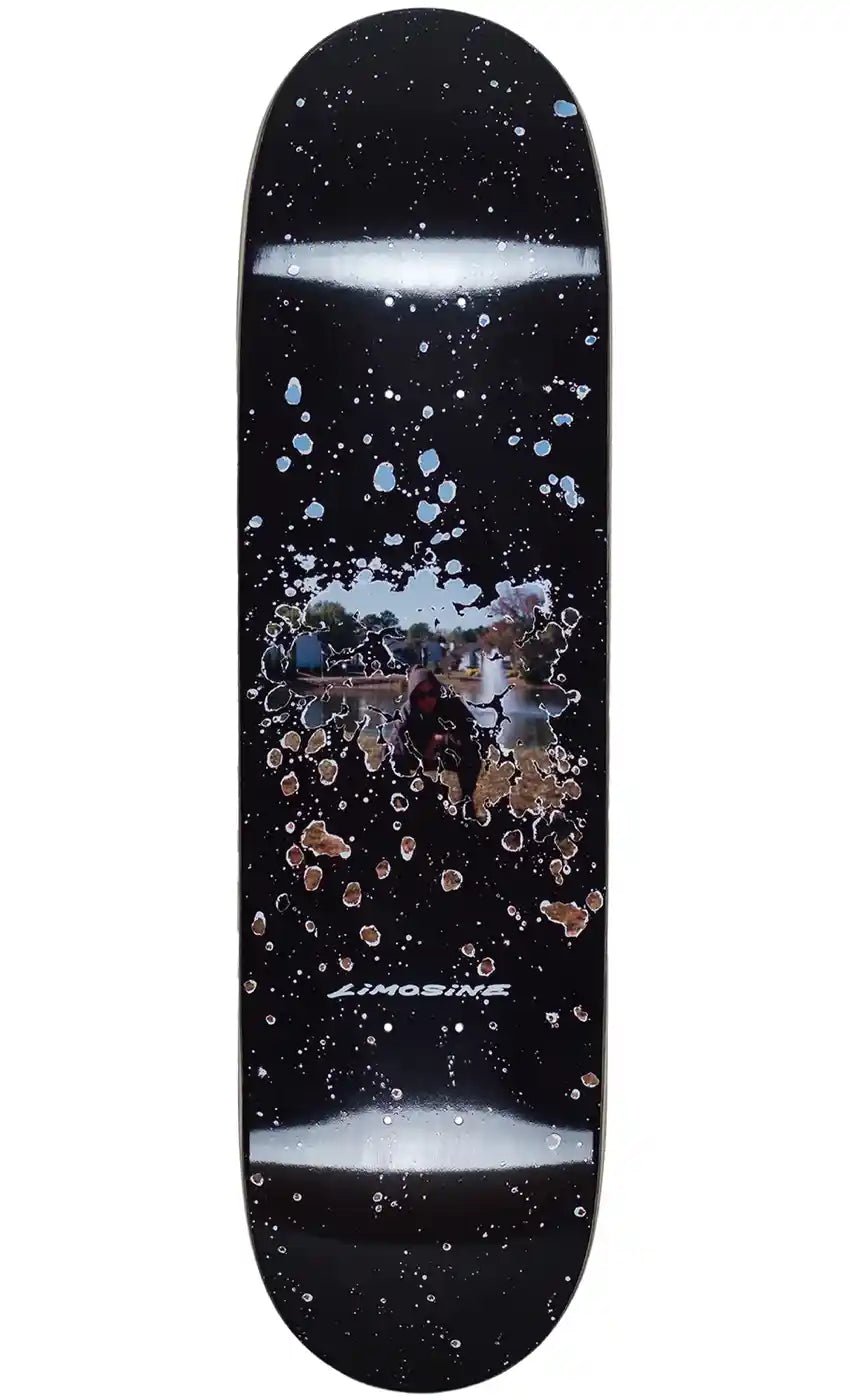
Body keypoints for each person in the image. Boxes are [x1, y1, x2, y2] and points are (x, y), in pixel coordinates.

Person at [385, 666, 482, 811]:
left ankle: (467, 802)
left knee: (472, 752)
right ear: (413, 697)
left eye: (432, 693)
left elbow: (475, 733)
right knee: (390, 754)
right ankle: (402, 802)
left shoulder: (452, 704)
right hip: (416, 754)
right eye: (421, 695)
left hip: (445, 753)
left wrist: (442, 739)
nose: (428, 700)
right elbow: (395, 746)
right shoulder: (406, 713)